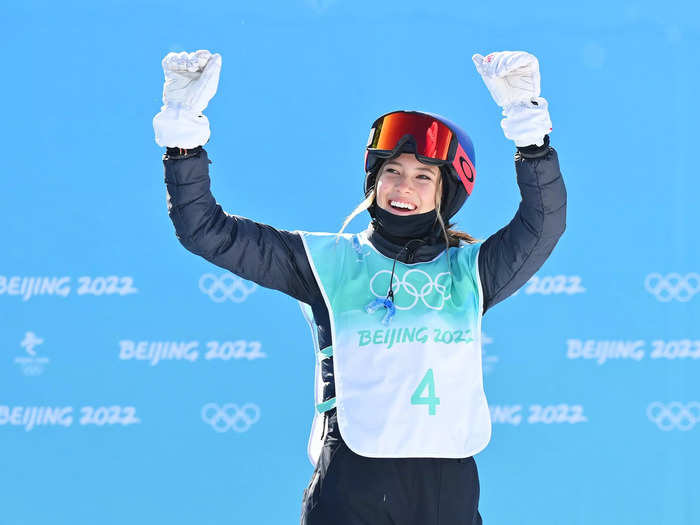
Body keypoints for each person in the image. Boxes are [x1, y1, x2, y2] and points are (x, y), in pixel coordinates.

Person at [153, 49, 567, 525]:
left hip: (445, 492)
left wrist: (529, 132)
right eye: (391, 171)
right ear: (373, 181)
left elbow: (543, 224)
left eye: (421, 177)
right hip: (350, 488)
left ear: (446, 192)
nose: (402, 187)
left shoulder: (471, 272)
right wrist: (183, 136)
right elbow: (205, 229)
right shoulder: (326, 263)